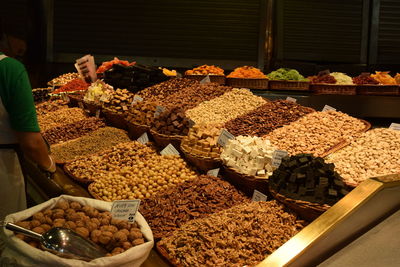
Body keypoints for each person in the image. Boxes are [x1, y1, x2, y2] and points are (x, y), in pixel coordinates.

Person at [0, 24, 56, 220]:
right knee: (6, 234)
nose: (21, 51)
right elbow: (31, 142)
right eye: (20, 46)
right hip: (3, 167)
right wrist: (48, 164)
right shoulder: (9, 69)